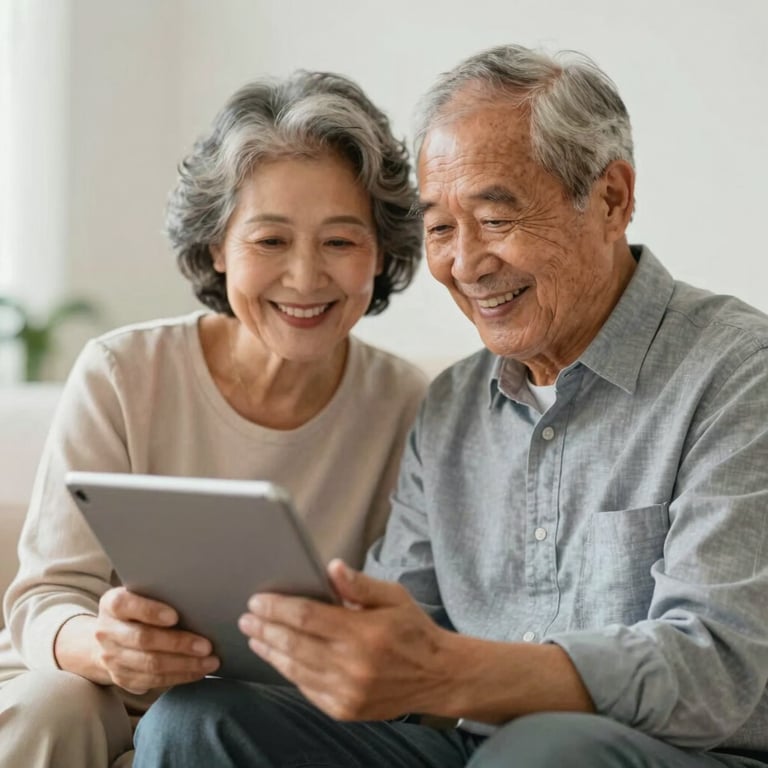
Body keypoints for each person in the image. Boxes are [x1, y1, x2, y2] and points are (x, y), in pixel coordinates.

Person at [132, 43, 768, 768]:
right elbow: (400, 639)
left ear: (613, 198)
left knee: (544, 751)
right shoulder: (455, 406)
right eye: (440, 229)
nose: (465, 264)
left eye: (496, 220)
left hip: (664, 755)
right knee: (199, 723)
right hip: (476, 753)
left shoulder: (738, 373)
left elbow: (718, 669)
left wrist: (450, 670)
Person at [0, 70, 427, 768]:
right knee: (57, 705)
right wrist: (107, 646)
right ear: (216, 247)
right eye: (270, 241)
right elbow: (47, 594)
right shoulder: (123, 373)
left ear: (379, 256)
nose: (305, 276)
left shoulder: (409, 405)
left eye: (341, 242)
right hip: (97, 688)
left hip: (262, 722)